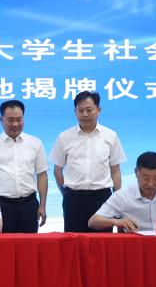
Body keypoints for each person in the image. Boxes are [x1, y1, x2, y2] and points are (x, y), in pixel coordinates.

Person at [50, 91, 126, 232]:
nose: (85, 114)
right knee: (73, 241)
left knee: (102, 242)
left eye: (89, 110)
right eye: (80, 110)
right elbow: (57, 171)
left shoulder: (110, 136)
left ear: (98, 110)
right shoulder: (64, 137)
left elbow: (115, 172)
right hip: (73, 200)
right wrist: (67, 193)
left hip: (102, 199)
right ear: (75, 112)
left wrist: (117, 200)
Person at [0, 99, 49, 233]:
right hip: (1, 205)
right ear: (1, 120)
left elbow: (42, 175)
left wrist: (43, 205)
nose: (15, 124)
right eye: (10, 120)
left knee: (29, 243)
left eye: (19, 119)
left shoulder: (35, 143)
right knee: (3, 243)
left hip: (29, 204)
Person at [90, 151, 156, 233]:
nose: (151, 184)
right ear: (136, 172)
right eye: (146, 178)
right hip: (135, 246)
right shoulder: (123, 195)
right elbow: (93, 221)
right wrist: (117, 222)